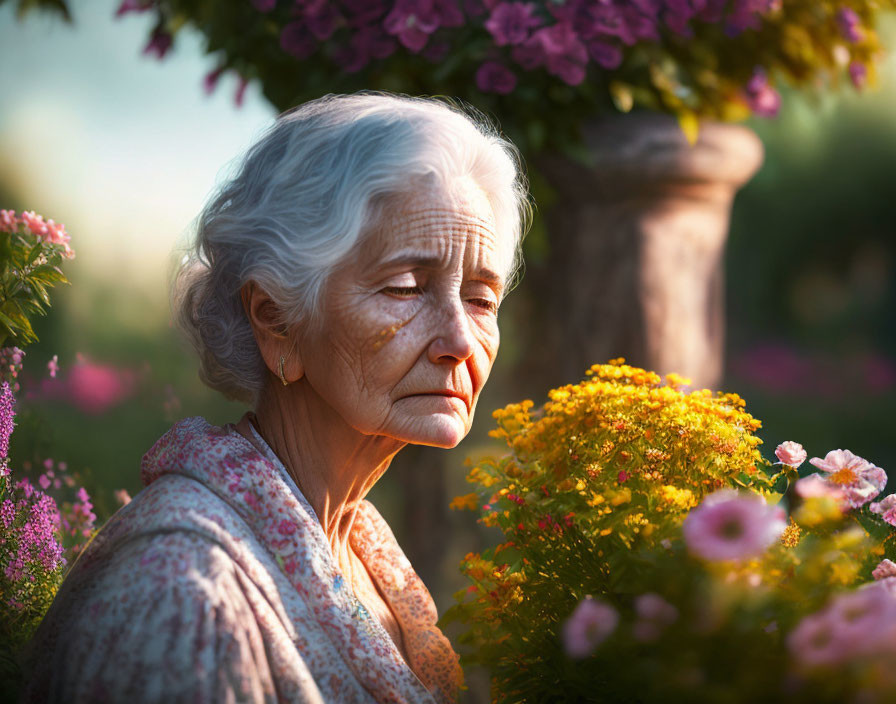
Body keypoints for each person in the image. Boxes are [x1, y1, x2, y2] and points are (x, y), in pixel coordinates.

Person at [21, 92, 530, 703]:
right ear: (276, 322)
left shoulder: (359, 549)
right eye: (404, 288)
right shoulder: (188, 596)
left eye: (480, 299)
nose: (458, 340)